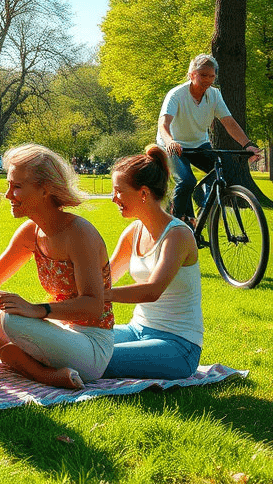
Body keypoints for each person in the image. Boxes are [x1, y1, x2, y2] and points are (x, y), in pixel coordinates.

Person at [0, 144, 114, 390]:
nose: (8, 195)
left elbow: (94, 306)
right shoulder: (30, 233)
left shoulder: (79, 234)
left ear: (45, 190)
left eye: (17, 187)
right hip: (60, 333)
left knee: (12, 319)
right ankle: (41, 372)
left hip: (92, 346)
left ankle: (25, 364)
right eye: (9, 186)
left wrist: (37, 310)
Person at [102, 145, 203, 380]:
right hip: (136, 330)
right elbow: (105, 277)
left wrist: (100, 295)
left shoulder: (178, 235)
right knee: (78, 344)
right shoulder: (133, 232)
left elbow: (151, 291)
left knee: (93, 359)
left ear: (143, 193)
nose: (113, 198)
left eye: (118, 191)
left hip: (178, 346)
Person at [157, 54, 260, 225]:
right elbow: (163, 123)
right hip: (173, 145)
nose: (208, 80)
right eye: (203, 75)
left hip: (199, 144)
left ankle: (203, 205)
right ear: (192, 75)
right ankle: (176, 223)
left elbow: (229, 122)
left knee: (223, 170)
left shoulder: (214, 95)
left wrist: (247, 145)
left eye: (212, 76)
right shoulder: (177, 94)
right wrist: (169, 141)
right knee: (186, 180)